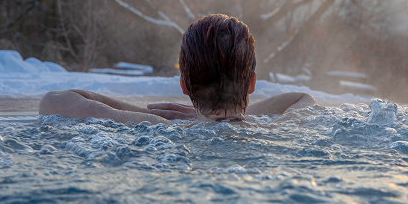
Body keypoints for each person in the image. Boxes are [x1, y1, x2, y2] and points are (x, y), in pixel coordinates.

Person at [39, 14, 316, 124]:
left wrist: (189, 117)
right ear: (252, 83)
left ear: (184, 86)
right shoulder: (275, 131)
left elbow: (52, 101)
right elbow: (303, 98)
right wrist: (235, 114)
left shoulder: (163, 130)